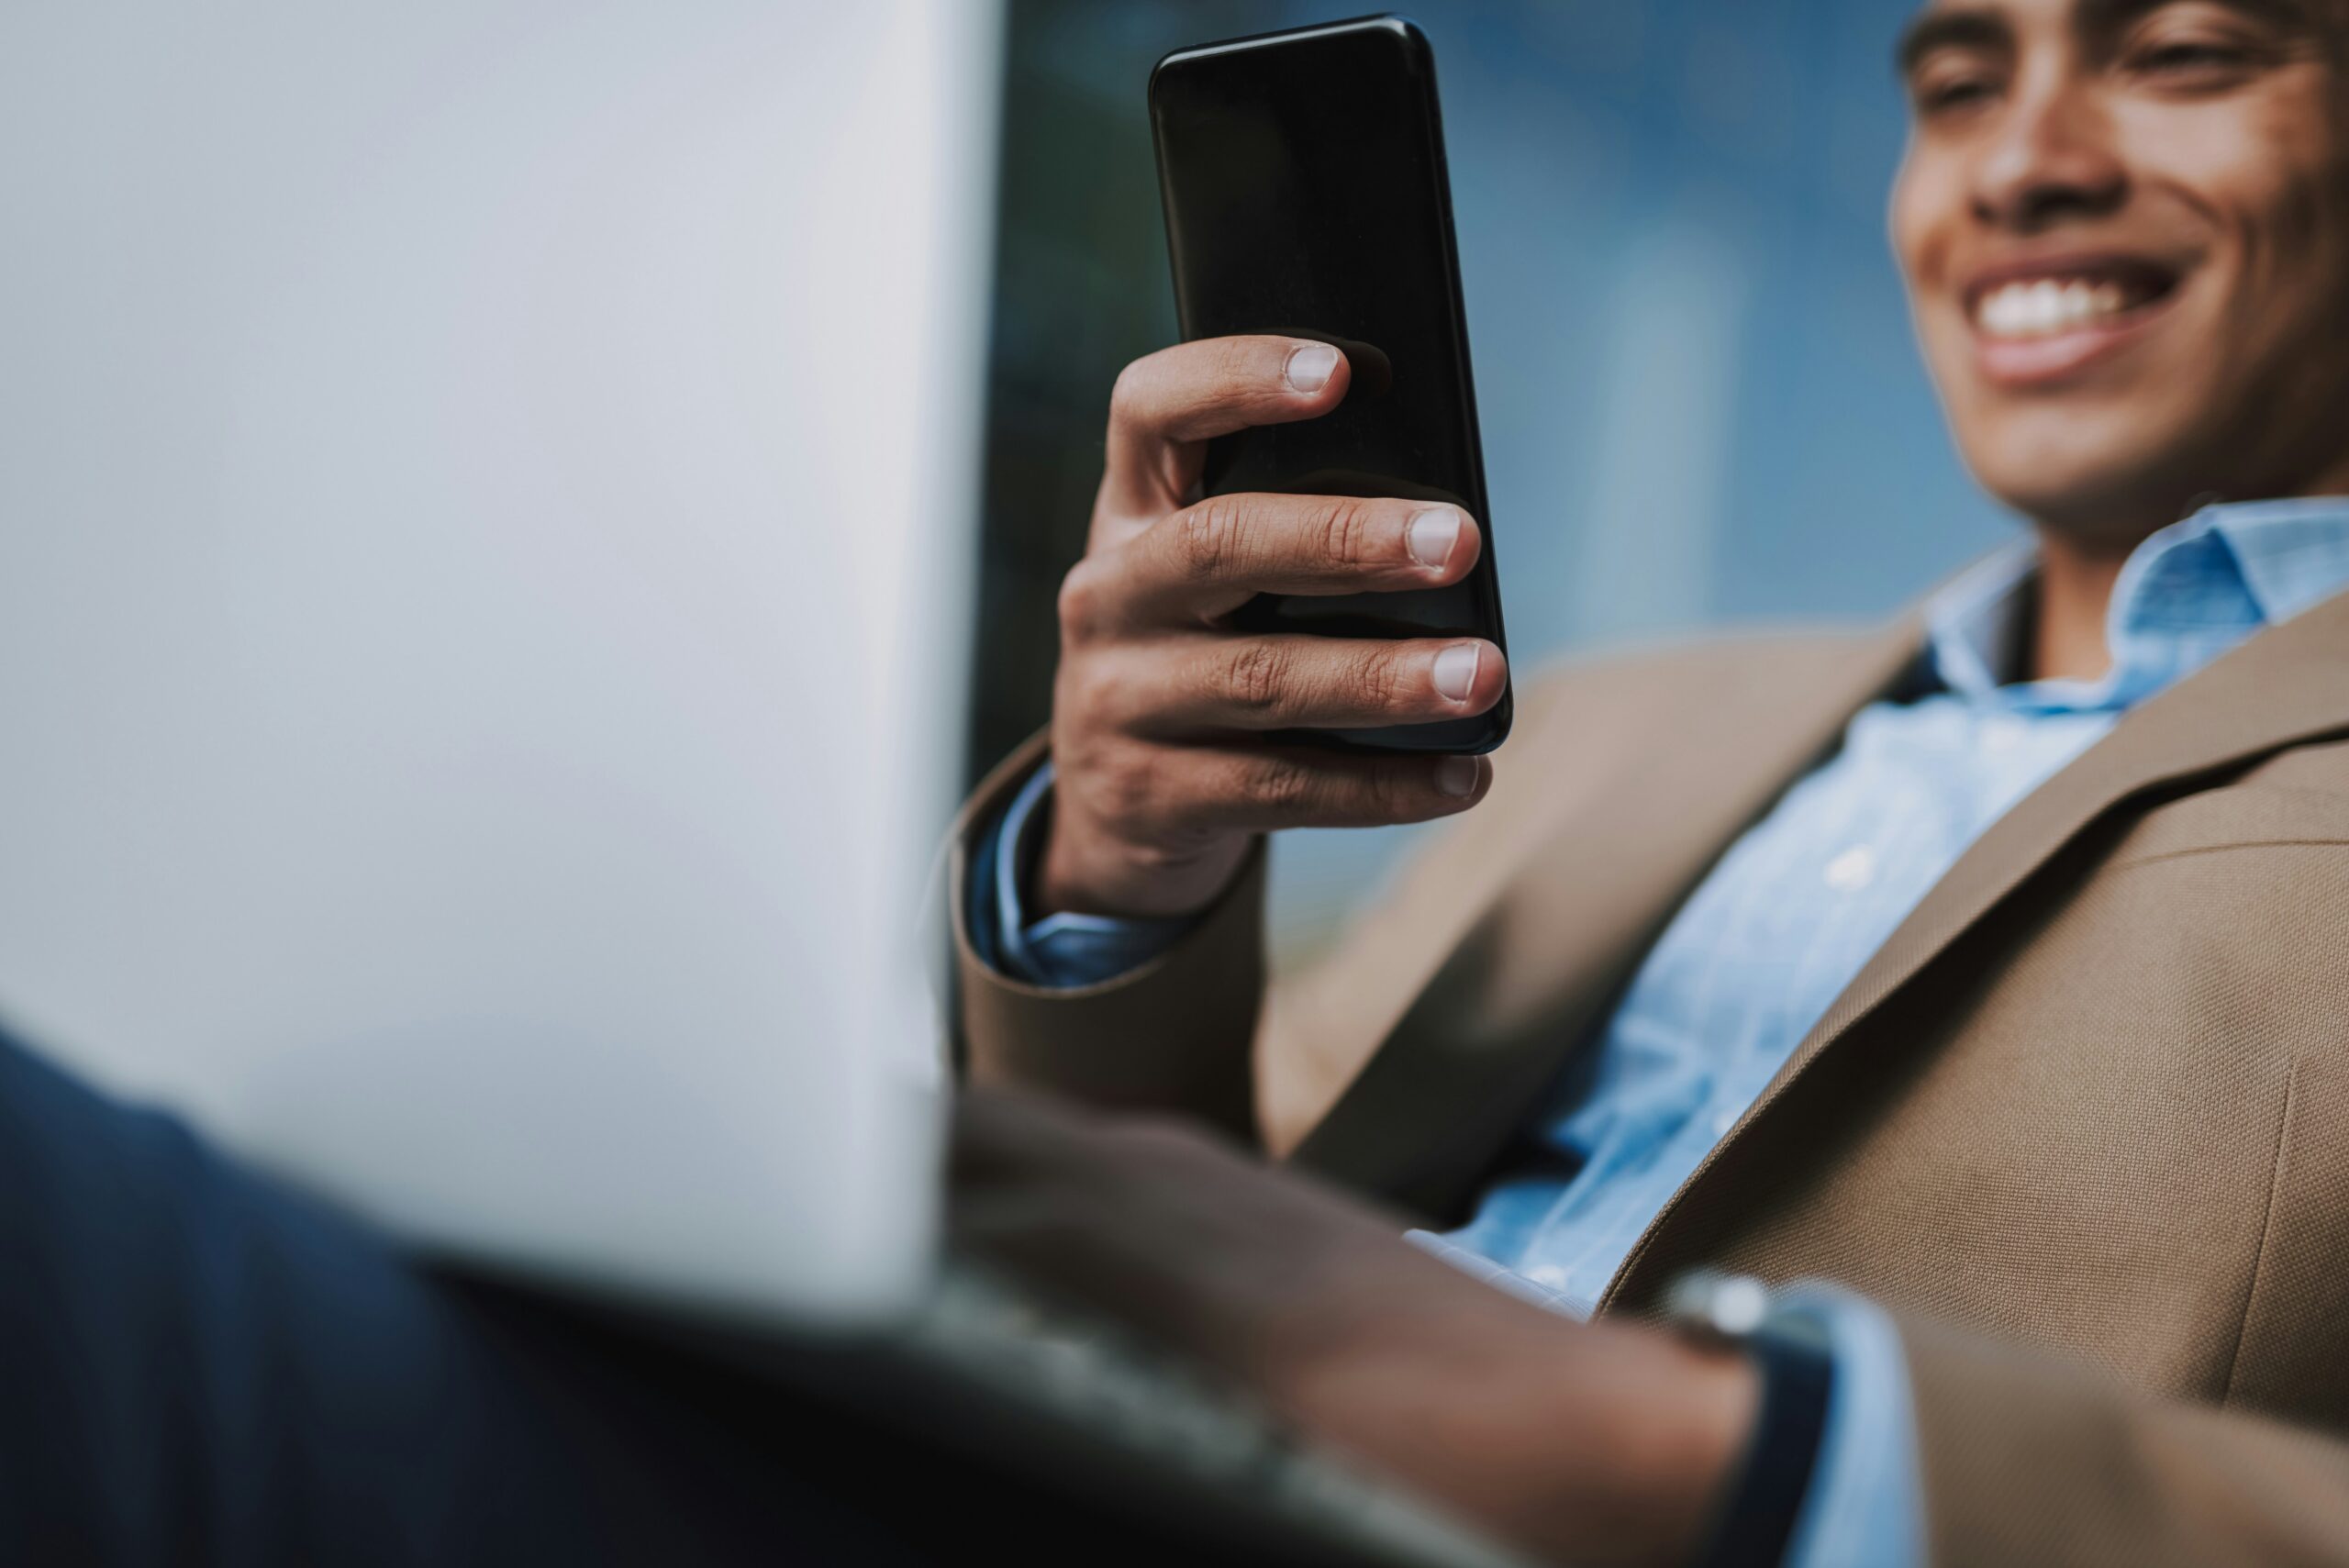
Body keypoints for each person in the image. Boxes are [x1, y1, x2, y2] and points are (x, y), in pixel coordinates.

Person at [943, 0, 2349, 1563]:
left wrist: (1706, 1453)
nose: (2017, 167)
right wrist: (1116, 883)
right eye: (1956, 88)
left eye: (2184, 58)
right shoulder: (1574, 730)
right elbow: (1145, 1244)